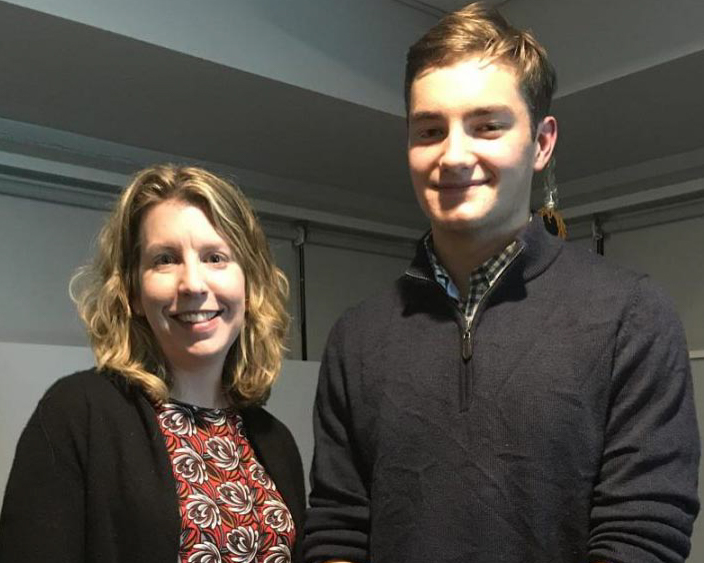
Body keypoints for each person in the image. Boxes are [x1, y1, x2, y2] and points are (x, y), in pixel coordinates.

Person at [304, 3, 700, 563]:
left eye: (487, 125)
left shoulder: (632, 315)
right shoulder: (357, 337)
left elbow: (643, 535)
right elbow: (337, 528)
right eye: (430, 130)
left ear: (541, 142)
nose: (454, 154)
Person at [0, 165, 306, 562]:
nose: (193, 284)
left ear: (249, 285)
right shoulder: (78, 413)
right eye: (165, 259)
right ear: (131, 291)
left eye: (216, 257)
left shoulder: (274, 440)